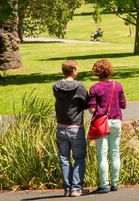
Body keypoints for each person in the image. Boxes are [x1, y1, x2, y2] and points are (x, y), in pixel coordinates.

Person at [88, 59, 127, 194]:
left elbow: (92, 110)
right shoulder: (118, 85)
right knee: (115, 153)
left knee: (102, 154)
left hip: (102, 123)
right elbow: (123, 105)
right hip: (116, 121)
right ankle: (115, 183)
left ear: (96, 72)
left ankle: (104, 185)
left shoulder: (94, 88)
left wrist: (100, 107)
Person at [53, 60, 88, 198]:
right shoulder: (79, 86)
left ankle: (67, 188)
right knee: (79, 157)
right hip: (75, 126)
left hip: (61, 127)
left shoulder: (56, 86)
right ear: (73, 70)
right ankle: (76, 188)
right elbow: (86, 102)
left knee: (64, 159)